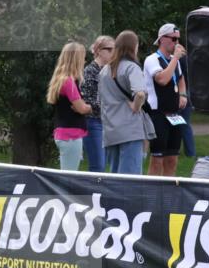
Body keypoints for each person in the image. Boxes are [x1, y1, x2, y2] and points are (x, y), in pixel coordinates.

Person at [99, 30, 153, 175]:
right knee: (130, 179)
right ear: (133, 47)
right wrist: (136, 106)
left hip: (110, 130)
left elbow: (101, 100)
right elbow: (140, 93)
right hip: (129, 129)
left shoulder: (104, 70)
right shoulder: (131, 67)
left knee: (115, 176)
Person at [143, 23, 188, 176]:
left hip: (174, 114)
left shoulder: (173, 61)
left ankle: (168, 195)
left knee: (172, 159)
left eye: (178, 40)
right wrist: (175, 58)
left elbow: (180, 79)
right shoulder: (152, 59)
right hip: (158, 114)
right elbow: (162, 79)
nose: (177, 43)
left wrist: (182, 95)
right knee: (157, 160)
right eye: (173, 39)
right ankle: (151, 195)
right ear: (162, 39)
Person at [47, 41, 92, 170]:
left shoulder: (62, 79)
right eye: (82, 58)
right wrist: (91, 107)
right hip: (71, 135)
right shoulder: (68, 82)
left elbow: (79, 107)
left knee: (68, 173)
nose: (84, 62)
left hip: (65, 133)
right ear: (76, 60)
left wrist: (83, 107)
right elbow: (81, 108)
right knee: (69, 176)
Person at [80, 35, 114, 172]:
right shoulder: (89, 71)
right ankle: (94, 192)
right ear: (99, 50)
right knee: (98, 165)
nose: (114, 53)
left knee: (106, 164)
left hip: (108, 122)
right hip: (93, 121)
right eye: (110, 49)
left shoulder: (110, 71)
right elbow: (88, 100)